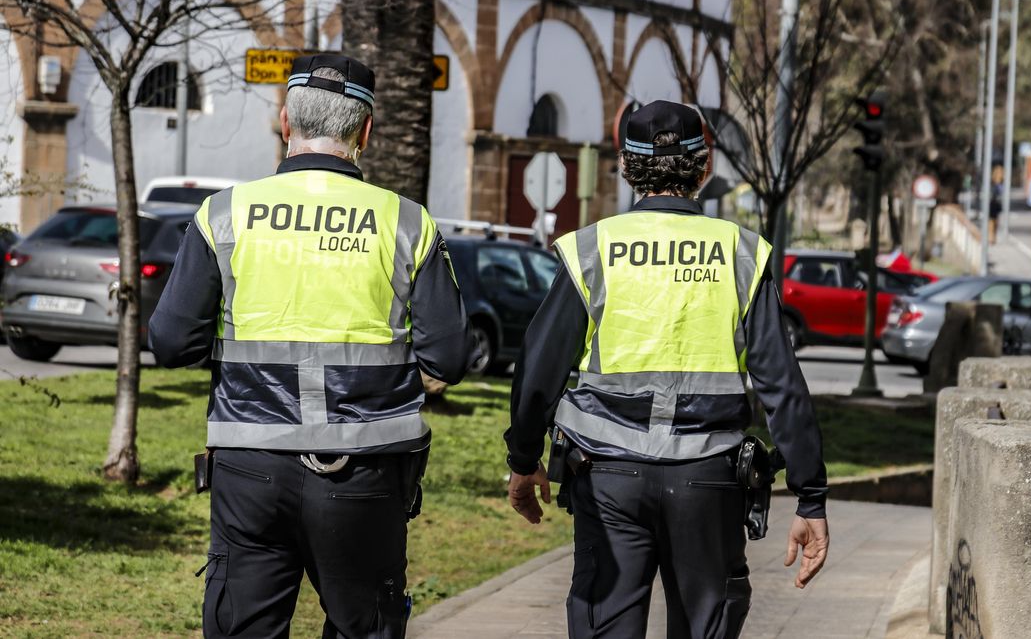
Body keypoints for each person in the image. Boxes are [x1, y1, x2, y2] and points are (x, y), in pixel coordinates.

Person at [149, 54, 473, 638]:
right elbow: (448, 357)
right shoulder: (405, 223)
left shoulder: (222, 215)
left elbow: (170, 342)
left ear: (284, 122)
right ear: (365, 131)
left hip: (250, 468)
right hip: (365, 474)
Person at [504, 100, 829, 638]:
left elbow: (539, 365)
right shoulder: (741, 254)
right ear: (704, 168)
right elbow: (782, 384)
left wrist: (522, 458)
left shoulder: (593, 249)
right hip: (708, 480)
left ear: (626, 168)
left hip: (607, 477)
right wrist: (810, 495)